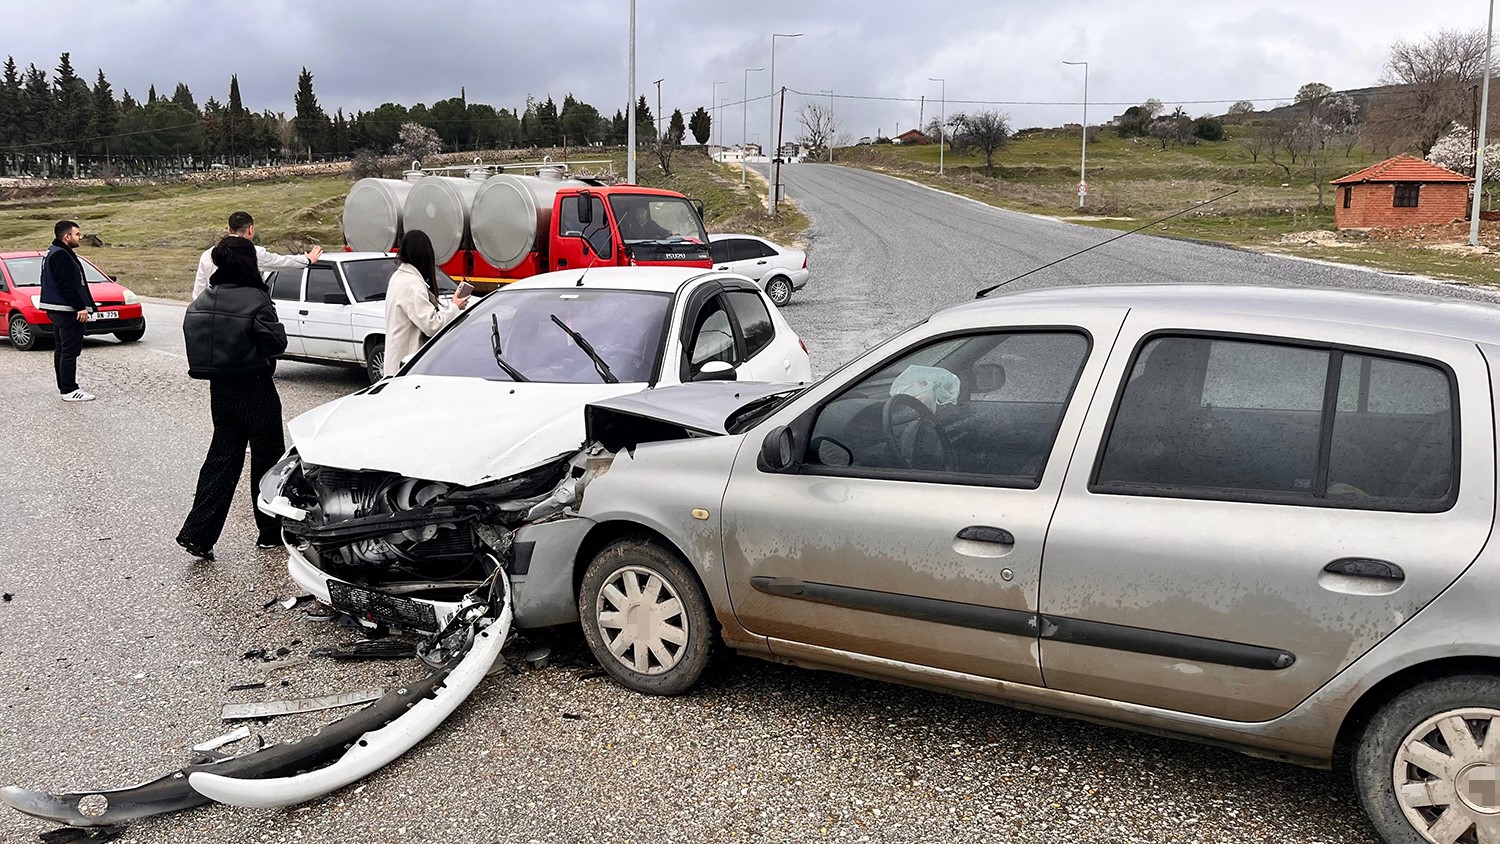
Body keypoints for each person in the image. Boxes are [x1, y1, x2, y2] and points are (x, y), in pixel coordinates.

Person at [176, 236, 289, 562]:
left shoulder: (206, 296)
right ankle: (270, 533)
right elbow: (275, 343)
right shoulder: (256, 298)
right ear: (247, 262)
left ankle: (198, 534)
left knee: (221, 461)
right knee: (268, 462)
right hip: (255, 386)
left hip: (220, 390)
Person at [383, 230, 470, 377]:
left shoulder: (399, 277)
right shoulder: (412, 284)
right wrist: (455, 307)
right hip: (407, 367)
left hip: (396, 363)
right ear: (425, 255)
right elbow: (431, 325)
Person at [190, 211, 323, 300]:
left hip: (211, 312)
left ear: (229, 229)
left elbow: (198, 292)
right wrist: (307, 259)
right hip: (240, 311)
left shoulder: (208, 254)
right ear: (251, 229)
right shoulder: (254, 252)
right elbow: (281, 262)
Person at [37, 220, 98, 402]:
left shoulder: (54, 252)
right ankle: (69, 389)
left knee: (62, 350)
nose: (80, 237)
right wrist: (79, 307)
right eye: (77, 234)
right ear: (66, 236)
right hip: (65, 310)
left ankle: (65, 387)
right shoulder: (61, 255)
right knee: (69, 351)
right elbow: (66, 285)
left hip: (58, 309)